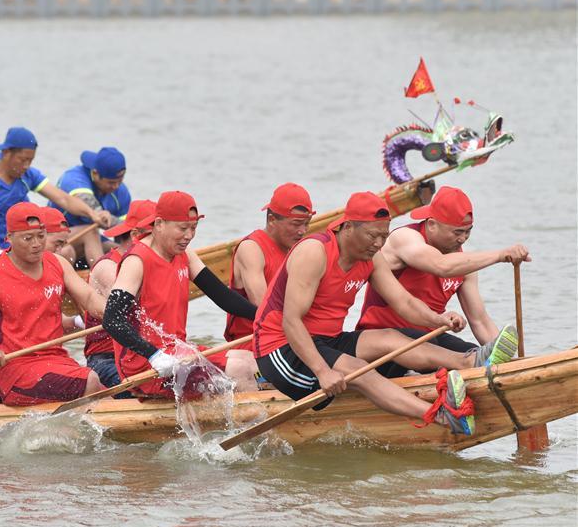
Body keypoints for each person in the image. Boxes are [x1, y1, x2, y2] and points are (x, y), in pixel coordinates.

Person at [253, 191, 517, 437]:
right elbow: (291, 320)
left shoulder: (373, 256)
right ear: (347, 227)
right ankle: (443, 415)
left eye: (384, 235)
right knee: (360, 371)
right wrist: (322, 371)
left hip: (325, 339)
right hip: (280, 347)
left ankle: (467, 362)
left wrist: (438, 320)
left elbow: (403, 302)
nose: (379, 243)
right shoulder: (314, 251)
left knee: (391, 337)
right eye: (372, 236)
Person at [102, 191, 261, 397]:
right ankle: (256, 422)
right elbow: (111, 319)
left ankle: (254, 415)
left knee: (250, 359)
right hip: (147, 366)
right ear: (159, 224)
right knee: (239, 370)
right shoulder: (136, 261)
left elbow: (224, 298)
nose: (189, 236)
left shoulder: (185, 255)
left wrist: (267, 318)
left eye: (193, 228)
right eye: (183, 228)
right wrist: (154, 355)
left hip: (178, 351)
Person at [0, 203, 107, 406]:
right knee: (91, 380)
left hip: (55, 360)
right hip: (11, 368)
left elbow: (88, 297)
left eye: (41, 236)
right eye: (27, 238)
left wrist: (115, 314)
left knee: (107, 393)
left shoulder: (57, 263)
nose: (36, 244)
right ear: (9, 237)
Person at [357, 186, 527, 364]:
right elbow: (440, 265)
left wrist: (509, 364)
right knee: (432, 343)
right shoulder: (405, 238)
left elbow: (480, 321)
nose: (462, 239)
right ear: (431, 224)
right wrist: (500, 255)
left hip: (425, 340)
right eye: (457, 232)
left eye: (468, 231)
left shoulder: (464, 264)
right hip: (380, 345)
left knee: (475, 354)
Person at [0, 127, 111, 272]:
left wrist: (92, 214)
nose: (26, 166)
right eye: (22, 160)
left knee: (66, 250)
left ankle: (95, 282)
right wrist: (2, 258)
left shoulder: (28, 175)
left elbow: (63, 199)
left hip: (19, 243)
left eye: (30, 160)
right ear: (6, 153)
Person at [225, 183, 315, 350]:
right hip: (252, 342)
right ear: (272, 220)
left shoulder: (298, 250)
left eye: (307, 223)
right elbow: (264, 307)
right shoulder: (251, 248)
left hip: (290, 336)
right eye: (296, 224)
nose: (303, 231)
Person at [83, 199, 155, 392]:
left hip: (143, 353)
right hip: (106, 359)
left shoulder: (149, 263)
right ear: (135, 236)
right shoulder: (108, 267)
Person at [53, 147, 131, 263]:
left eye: (120, 181)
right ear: (95, 174)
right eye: (111, 182)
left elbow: (126, 229)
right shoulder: (74, 179)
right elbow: (97, 215)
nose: (116, 187)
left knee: (123, 251)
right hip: (57, 237)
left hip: (89, 241)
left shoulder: (121, 192)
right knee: (91, 233)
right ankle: (99, 277)